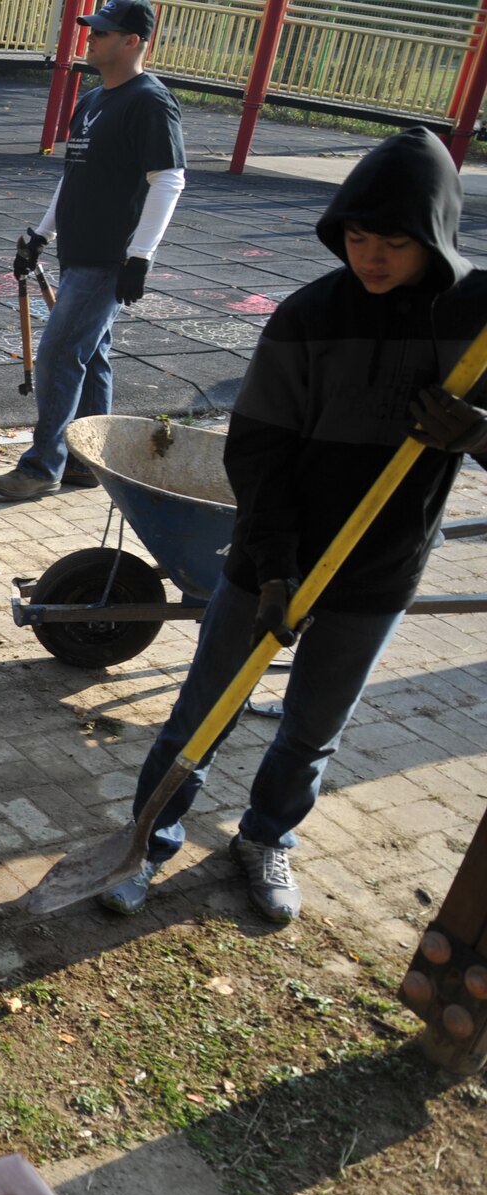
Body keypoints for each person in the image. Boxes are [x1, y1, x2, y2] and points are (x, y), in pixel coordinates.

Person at [94, 127, 487, 923]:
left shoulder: (477, 321)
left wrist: (475, 433)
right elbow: (259, 451)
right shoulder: (311, 316)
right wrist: (273, 565)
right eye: (356, 237)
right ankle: (148, 839)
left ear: (436, 238)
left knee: (312, 730)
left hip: (380, 567)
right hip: (276, 557)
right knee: (203, 711)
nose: (370, 258)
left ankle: (266, 835)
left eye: (392, 243)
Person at [0, 0, 186, 501]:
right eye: (92, 30)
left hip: (108, 258)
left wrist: (140, 256)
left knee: (59, 353)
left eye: (103, 32)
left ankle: (42, 466)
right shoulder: (93, 99)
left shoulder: (150, 101)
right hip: (78, 252)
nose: (91, 38)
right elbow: (73, 176)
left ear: (133, 41)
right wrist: (40, 236)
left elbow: (169, 180)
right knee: (91, 355)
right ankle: (87, 460)